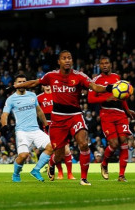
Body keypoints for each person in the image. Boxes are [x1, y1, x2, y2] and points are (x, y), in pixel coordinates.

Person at [14, 50, 114, 186]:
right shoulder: (51, 76)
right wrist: (19, 85)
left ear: (72, 61)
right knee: (59, 155)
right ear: (59, 61)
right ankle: (52, 163)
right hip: (58, 118)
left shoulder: (79, 76)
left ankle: (84, 178)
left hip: (75, 115)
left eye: (69, 58)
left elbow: (94, 86)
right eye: (64, 58)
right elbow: (34, 83)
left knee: (83, 144)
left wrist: (109, 88)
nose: (67, 60)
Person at [88, 56, 135, 182]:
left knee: (124, 141)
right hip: (106, 114)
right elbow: (90, 99)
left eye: (107, 63)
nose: (105, 65)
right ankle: (104, 163)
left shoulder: (116, 77)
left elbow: (123, 97)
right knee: (114, 144)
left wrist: (127, 110)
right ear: (99, 66)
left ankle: (121, 175)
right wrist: (106, 98)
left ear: (111, 64)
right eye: (102, 63)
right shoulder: (96, 80)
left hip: (120, 113)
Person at [1, 74, 54, 182]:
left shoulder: (32, 95)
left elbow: (39, 111)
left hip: (35, 130)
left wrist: (46, 125)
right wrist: (4, 126)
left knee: (52, 147)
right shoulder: (11, 99)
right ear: (15, 84)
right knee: (24, 155)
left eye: (24, 81)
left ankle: (36, 170)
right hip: (22, 131)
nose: (22, 83)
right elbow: (4, 114)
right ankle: (16, 174)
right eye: (19, 82)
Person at [37, 85, 75, 180]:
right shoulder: (39, 98)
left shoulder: (58, 95)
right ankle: (60, 172)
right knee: (56, 149)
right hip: (48, 126)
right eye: (45, 85)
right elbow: (37, 112)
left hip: (61, 124)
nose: (47, 87)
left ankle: (70, 174)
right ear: (42, 87)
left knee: (66, 149)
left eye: (49, 85)